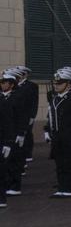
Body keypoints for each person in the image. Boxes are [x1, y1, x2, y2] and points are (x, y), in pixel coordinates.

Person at [45, 67, 71, 198]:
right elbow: (51, 116)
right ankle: (61, 187)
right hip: (57, 136)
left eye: (60, 83)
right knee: (59, 163)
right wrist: (48, 131)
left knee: (68, 163)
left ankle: (69, 188)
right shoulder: (55, 99)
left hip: (69, 136)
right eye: (55, 83)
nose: (56, 85)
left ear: (69, 84)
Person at [0, 70, 18, 206]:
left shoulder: (5, 101)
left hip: (4, 139)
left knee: (4, 168)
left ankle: (1, 198)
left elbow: (8, 123)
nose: (1, 84)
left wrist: (8, 142)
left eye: (4, 82)